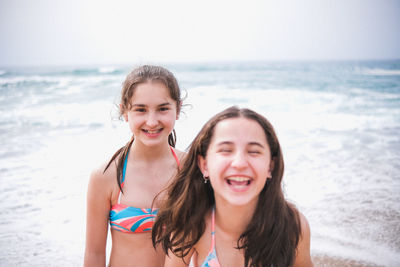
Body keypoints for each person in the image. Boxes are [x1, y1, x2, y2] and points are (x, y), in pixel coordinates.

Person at [152, 106, 313, 267]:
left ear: (270, 166)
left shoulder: (292, 225)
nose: (240, 163)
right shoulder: (190, 223)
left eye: (254, 151)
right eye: (226, 150)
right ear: (204, 165)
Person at [84, 65, 185, 267]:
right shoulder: (106, 176)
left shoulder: (190, 170)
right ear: (125, 112)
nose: (152, 121)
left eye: (163, 108)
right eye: (140, 110)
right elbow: (94, 253)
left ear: (178, 110)